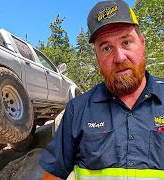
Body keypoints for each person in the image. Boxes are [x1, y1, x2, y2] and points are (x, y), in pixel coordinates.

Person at [39, 0, 164, 179]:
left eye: (126, 42)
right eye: (106, 48)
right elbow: (53, 174)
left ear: (142, 44)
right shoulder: (78, 110)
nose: (119, 57)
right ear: (97, 58)